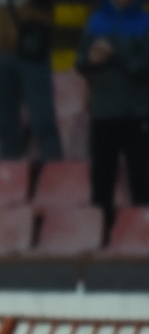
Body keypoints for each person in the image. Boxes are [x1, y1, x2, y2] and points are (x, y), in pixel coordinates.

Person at [75, 0, 149, 228]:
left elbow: (143, 67)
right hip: (103, 113)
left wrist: (113, 56)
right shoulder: (96, 21)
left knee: (141, 175)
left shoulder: (144, 22)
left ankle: (142, 231)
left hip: (135, 112)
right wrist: (92, 60)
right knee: (102, 177)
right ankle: (102, 232)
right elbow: (80, 63)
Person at [0, 0, 63, 160]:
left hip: (32, 52)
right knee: (5, 128)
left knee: (42, 123)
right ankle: (11, 179)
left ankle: (56, 178)